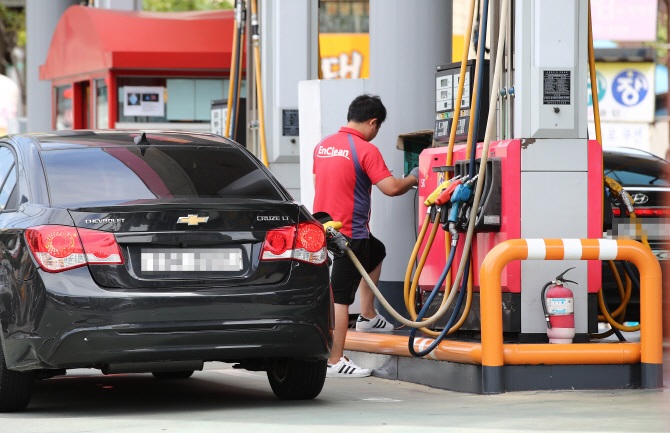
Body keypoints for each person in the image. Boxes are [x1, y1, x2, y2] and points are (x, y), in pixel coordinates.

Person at [312, 94, 419, 378]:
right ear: (372, 122)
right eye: (377, 127)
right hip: (349, 234)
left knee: (377, 250)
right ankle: (335, 360)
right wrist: (415, 177)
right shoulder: (364, 149)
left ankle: (369, 317)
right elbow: (392, 188)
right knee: (341, 299)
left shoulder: (323, 146)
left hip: (324, 228)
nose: (376, 132)